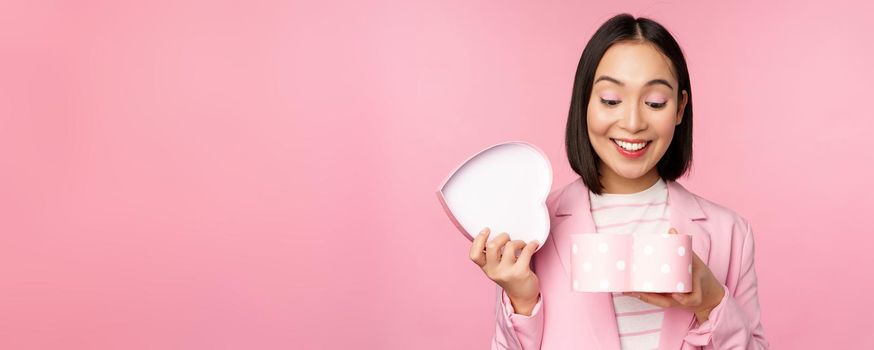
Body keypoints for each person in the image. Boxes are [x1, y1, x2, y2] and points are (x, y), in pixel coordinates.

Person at [468, 13, 769, 350]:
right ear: (584, 102)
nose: (633, 122)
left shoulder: (731, 234)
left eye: (655, 102)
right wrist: (522, 301)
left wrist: (710, 301)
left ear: (680, 108)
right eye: (611, 100)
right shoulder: (534, 228)